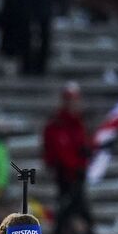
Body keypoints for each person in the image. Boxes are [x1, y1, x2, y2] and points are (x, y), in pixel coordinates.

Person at [42, 83, 91, 221]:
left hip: (78, 177)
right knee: (68, 213)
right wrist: (76, 166)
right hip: (65, 177)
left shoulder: (79, 123)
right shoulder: (57, 125)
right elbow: (58, 152)